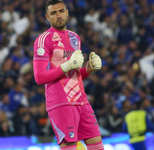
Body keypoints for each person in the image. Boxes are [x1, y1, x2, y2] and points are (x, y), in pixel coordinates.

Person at [33, 0, 104, 150]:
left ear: (67, 12)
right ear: (47, 17)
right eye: (53, 13)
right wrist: (67, 66)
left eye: (60, 11)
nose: (58, 15)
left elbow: (73, 76)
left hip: (81, 101)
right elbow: (39, 77)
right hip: (61, 103)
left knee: (98, 146)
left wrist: (89, 69)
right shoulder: (43, 39)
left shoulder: (75, 37)